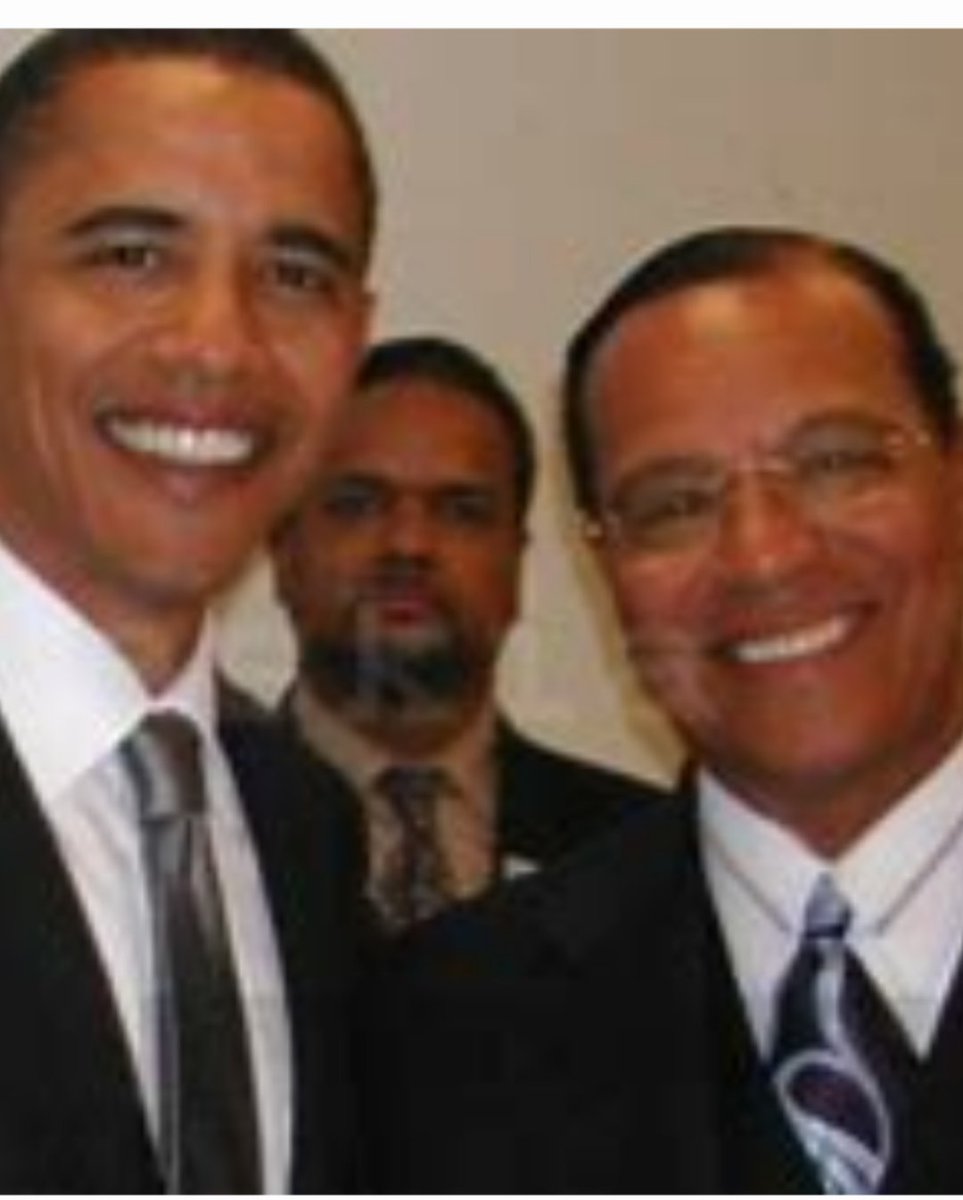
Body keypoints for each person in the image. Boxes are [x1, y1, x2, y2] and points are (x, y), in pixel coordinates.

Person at [361, 228, 963, 1193]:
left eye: (834, 462)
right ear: (603, 566)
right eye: (675, 505)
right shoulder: (437, 1032)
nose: (764, 556)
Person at [0, 29, 374, 1192]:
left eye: (295, 276)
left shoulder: (305, 828)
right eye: (133, 256)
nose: (218, 345)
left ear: (357, 339)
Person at [272, 335, 649, 935]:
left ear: (516, 565)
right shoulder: (200, 823)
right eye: (358, 504)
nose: (408, 545)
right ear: (284, 551)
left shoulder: (638, 851)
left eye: (461, 511)